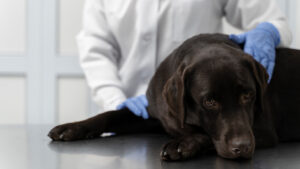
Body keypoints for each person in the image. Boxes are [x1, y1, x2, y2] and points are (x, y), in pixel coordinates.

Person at [77, 0, 292, 119]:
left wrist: (268, 30)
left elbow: (274, 19)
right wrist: (116, 103)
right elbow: (96, 49)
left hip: (197, 120)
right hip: (131, 112)